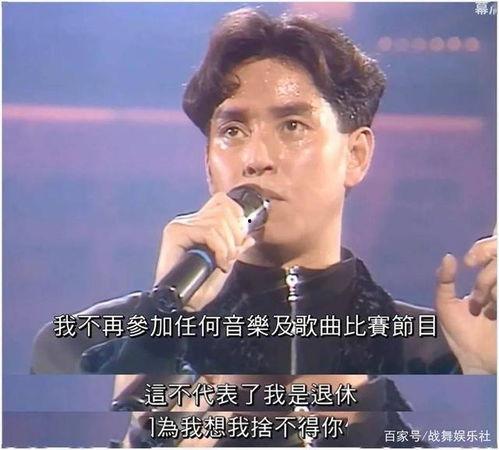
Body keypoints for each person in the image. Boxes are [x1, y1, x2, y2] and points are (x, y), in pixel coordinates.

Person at [31, 7, 496, 447]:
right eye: (232, 132)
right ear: (209, 165)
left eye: (292, 126)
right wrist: (160, 339)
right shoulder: (84, 346)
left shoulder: (438, 351)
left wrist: (485, 379)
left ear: (355, 156)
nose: (255, 159)